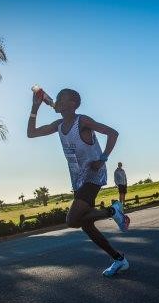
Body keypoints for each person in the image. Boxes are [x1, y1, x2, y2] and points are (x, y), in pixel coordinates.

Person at [27, 88, 131, 277]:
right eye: (57, 99)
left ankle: (112, 211)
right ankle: (119, 259)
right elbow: (31, 133)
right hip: (78, 179)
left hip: (93, 174)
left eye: (62, 99)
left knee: (72, 220)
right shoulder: (58, 125)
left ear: (73, 104)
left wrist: (102, 159)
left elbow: (113, 133)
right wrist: (35, 107)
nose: (58, 101)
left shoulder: (82, 121)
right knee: (86, 225)